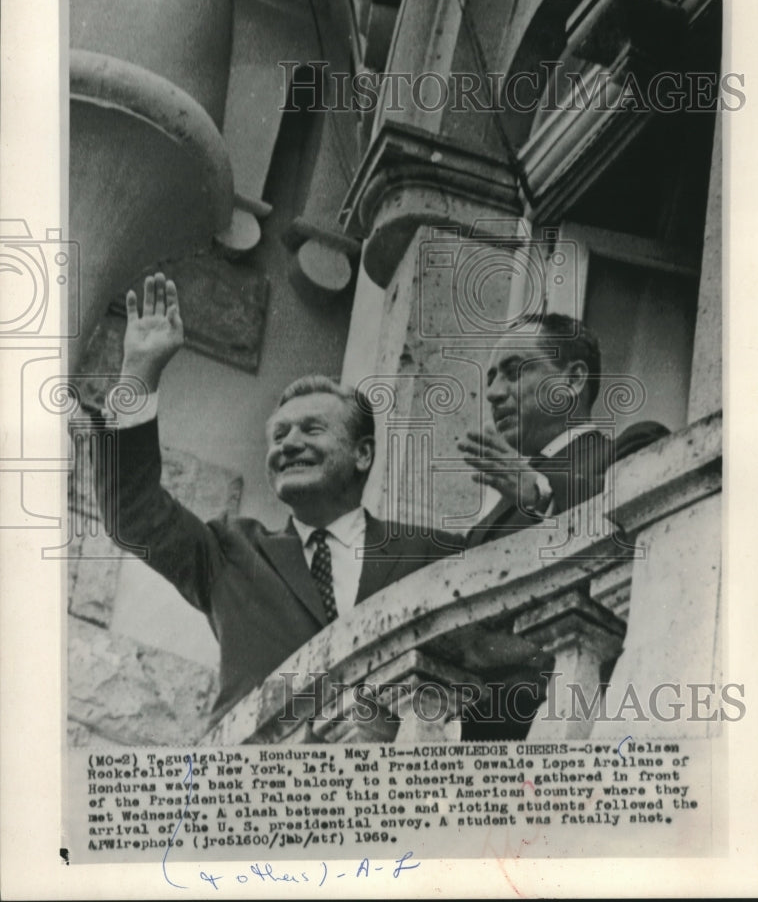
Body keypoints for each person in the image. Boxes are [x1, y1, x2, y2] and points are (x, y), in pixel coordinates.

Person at [95, 272, 462, 729]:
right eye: (278, 435)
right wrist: (139, 374)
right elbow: (133, 514)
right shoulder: (232, 551)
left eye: (311, 429)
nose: (287, 444)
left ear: (362, 454)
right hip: (255, 789)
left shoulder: (427, 554)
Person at [458, 312, 614, 546]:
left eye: (514, 372)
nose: (492, 393)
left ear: (572, 380)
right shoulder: (500, 505)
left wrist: (541, 494)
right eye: (491, 379)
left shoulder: (633, 448)